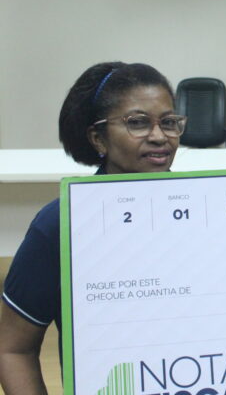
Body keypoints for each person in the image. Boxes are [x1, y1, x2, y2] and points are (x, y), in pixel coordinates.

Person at [0, 62, 185, 393]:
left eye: (169, 122)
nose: (159, 137)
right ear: (99, 139)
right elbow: (12, 348)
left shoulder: (210, 210)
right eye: (138, 122)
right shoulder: (61, 224)